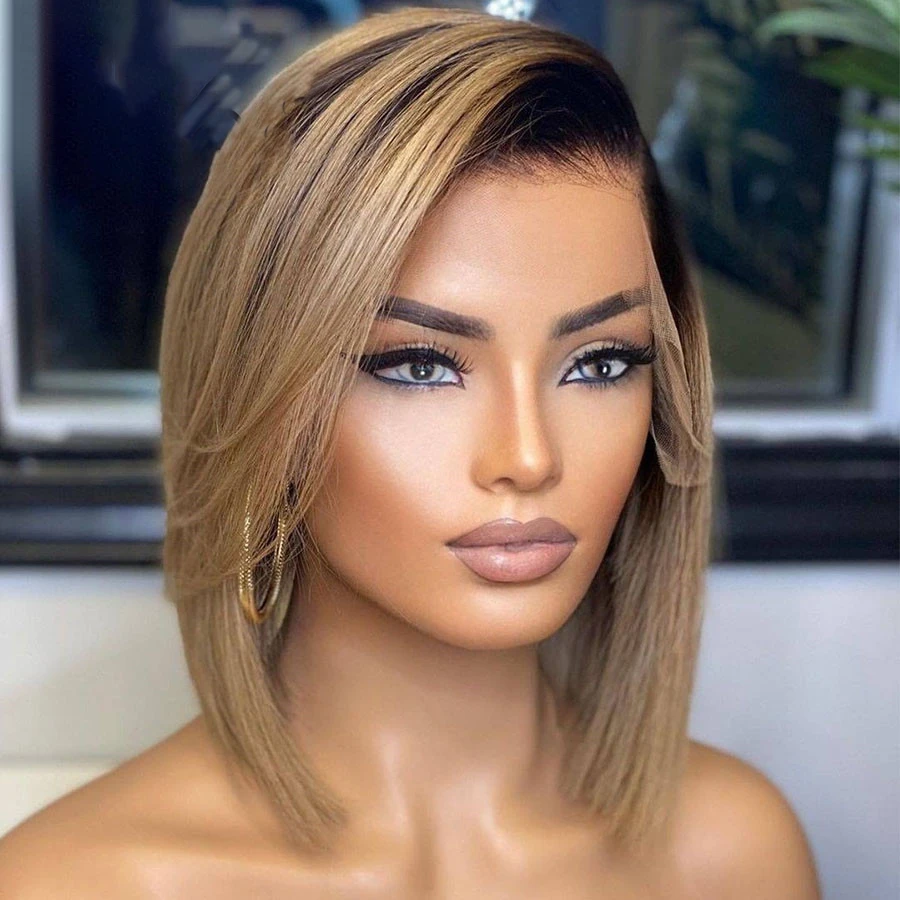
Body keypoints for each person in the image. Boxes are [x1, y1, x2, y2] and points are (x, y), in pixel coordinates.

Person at [0, 7, 820, 897]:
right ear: (258, 393)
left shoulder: (733, 855)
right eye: (420, 366)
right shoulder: (73, 882)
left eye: (600, 363)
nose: (529, 456)